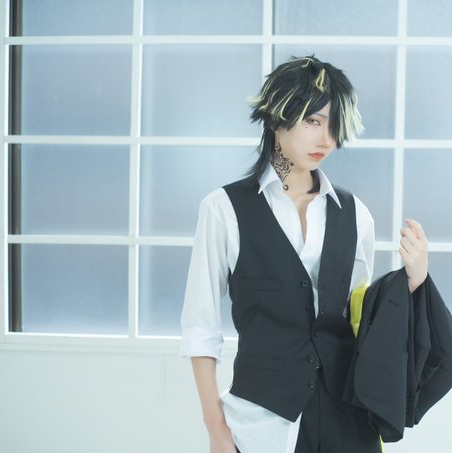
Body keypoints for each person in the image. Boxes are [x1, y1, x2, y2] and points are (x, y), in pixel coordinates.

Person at [180, 55, 429, 453]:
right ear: (277, 119)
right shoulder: (223, 210)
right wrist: (215, 429)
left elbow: (361, 320)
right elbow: (200, 328)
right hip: (260, 424)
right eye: (313, 121)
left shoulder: (355, 214)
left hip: (347, 423)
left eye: (334, 126)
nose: (326, 140)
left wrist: (413, 282)